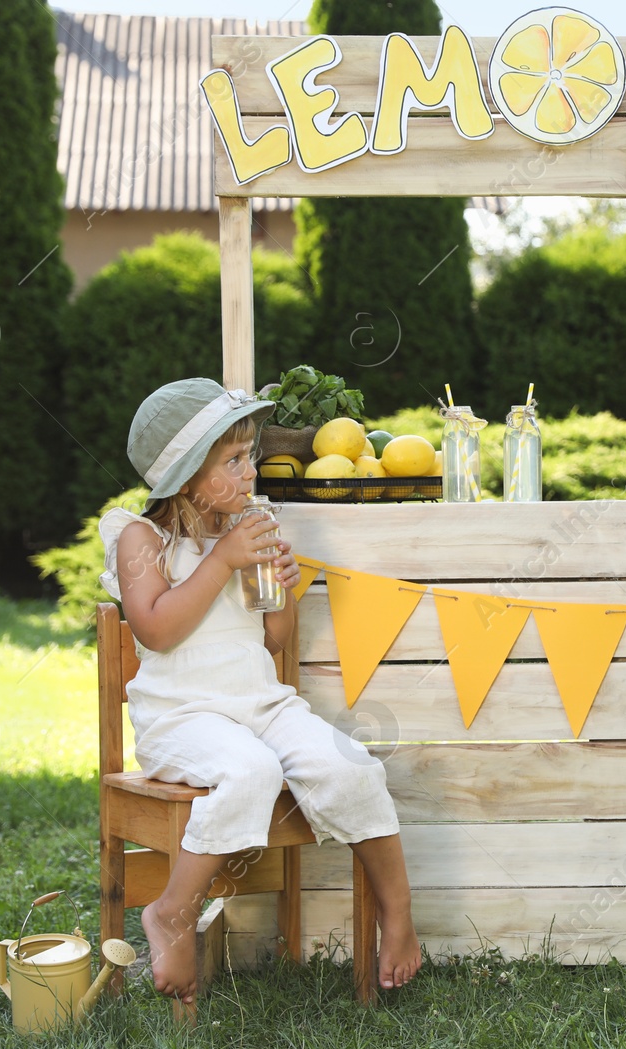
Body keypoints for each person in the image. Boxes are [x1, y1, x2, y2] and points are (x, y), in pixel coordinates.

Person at [99, 377, 421, 1010]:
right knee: (250, 771)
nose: (252, 472)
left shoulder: (251, 527)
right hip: (182, 718)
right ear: (189, 477)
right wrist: (221, 561)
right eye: (235, 459)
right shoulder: (142, 539)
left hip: (260, 704)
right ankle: (172, 914)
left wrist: (283, 590)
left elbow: (273, 639)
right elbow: (156, 630)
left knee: (350, 768)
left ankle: (399, 910)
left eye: (249, 456)